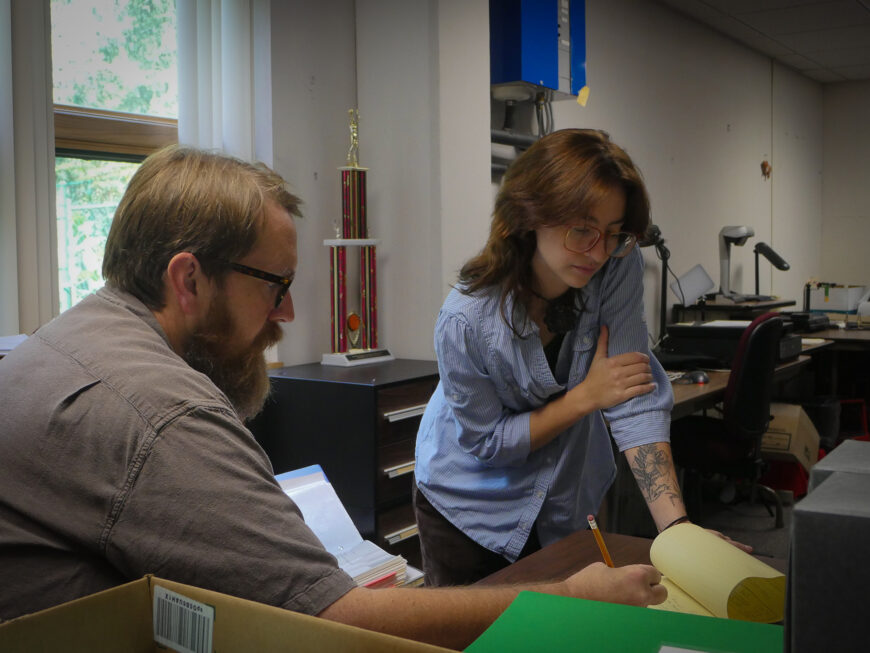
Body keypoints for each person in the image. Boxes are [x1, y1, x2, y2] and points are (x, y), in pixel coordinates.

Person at [0, 145, 666, 648]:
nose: (286, 313)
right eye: (274, 284)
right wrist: (570, 597)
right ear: (188, 280)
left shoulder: (60, 338)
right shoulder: (160, 414)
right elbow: (337, 625)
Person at [414, 128, 730, 587]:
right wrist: (583, 398)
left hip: (560, 496)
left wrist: (678, 532)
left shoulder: (615, 266)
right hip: (470, 506)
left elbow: (632, 395)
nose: (599, 252)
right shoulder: (465, 320)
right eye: (582, 229)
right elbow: (488, 444)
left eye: (613, 233)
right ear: (527, 216)